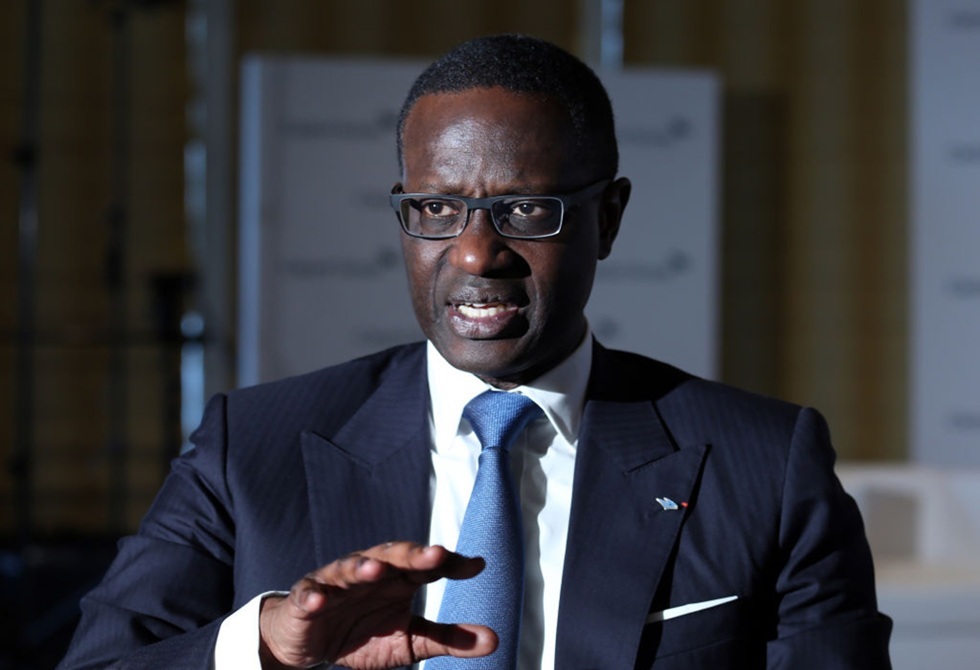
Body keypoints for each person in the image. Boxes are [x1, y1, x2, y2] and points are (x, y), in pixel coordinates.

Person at [58, 34, 892, 669]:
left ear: (607, 219)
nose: (473, 253)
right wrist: (266, 648)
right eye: (437, 209)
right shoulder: (250, 447)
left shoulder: (765, 464)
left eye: (525, 210)